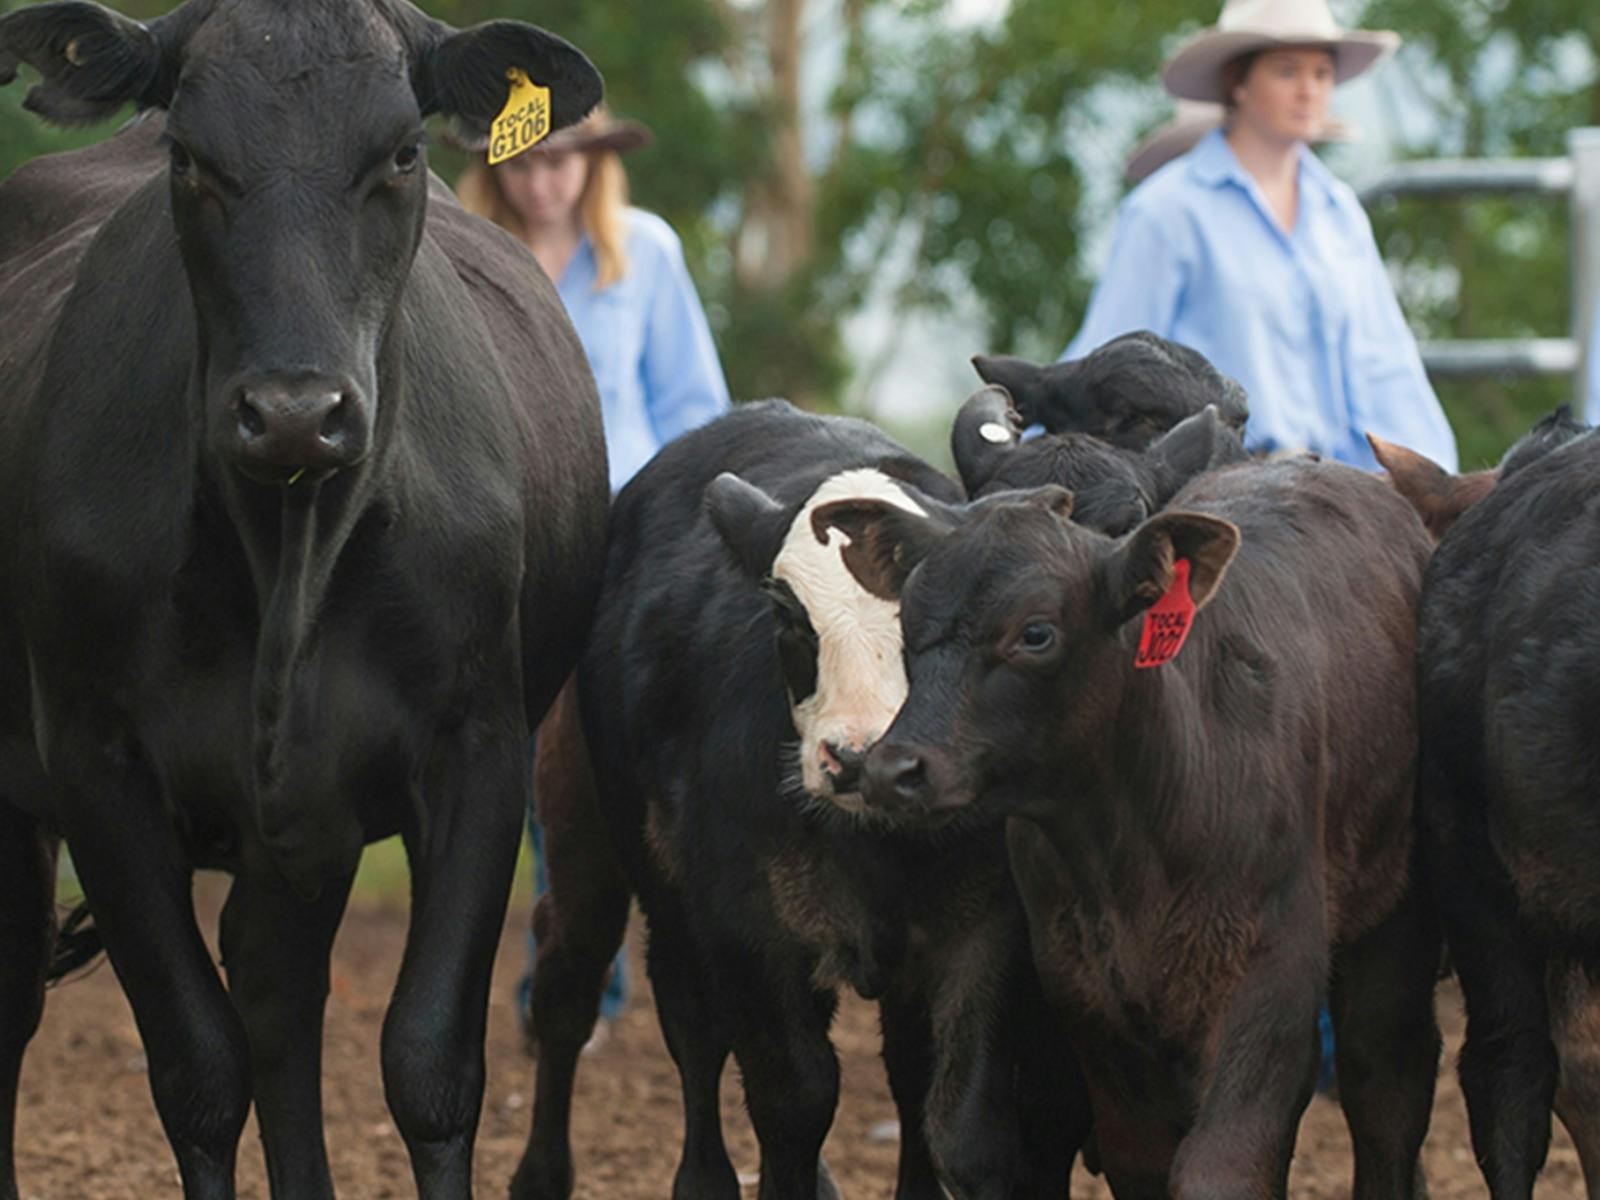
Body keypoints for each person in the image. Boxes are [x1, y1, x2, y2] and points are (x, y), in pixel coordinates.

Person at [458, 107, 731, 1042]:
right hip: (499, 546)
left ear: (591, 161)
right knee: (522, 765)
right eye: (524, 162)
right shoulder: (464, 256)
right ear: (496, 169)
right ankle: (564, 982)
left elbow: (694, 403)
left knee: (605, 761)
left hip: (622, 545)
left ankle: (587, 984)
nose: (543, 181)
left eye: (561, 159)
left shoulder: (644, 253)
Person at [1062, 0, 1459, 473]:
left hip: (1336, 490)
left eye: (1322, 73)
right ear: (1239, 84)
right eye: (1288, 72)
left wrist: (1431, 484)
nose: (1309, 91)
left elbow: (1385, 368)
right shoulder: (1168, 211)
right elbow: (1106, 360)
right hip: (1217, 494)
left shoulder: (1339, 213)